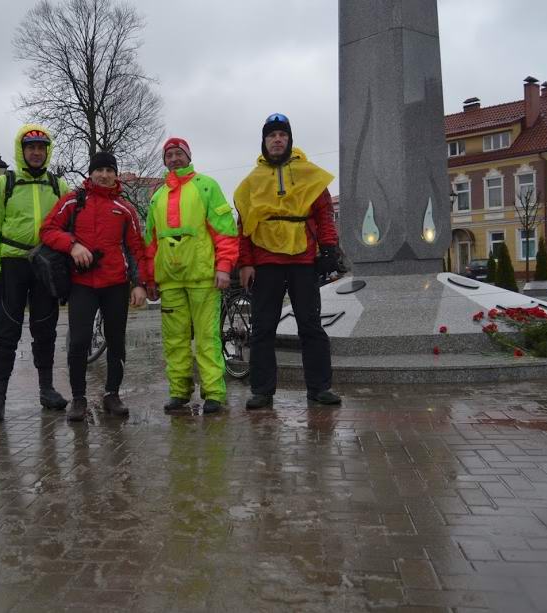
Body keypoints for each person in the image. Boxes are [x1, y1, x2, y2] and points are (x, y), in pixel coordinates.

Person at [234, 113, 342, 410]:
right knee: (263, 328)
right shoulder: (252, 181)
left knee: (310, 325)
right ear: (264, 142)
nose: (277, 139)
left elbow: (323, 213)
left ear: (289, 139)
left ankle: (319, 387)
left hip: (303, 259)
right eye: (272, 135)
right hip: (265, 260)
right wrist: (245, 263)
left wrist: (329, 249)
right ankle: (262, 391)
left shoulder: (310, 174)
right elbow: (243, 225)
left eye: (282, 134)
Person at [40, 151, 149, 423]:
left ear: (115, 174)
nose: (104, 175)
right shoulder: (72, 202)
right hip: (82, 284)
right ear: (90, 173)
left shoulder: (126, 209)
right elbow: (48, 230)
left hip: (116, 284)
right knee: (78, 341)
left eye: (109, 170)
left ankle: (112, 394)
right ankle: (78, 398)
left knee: (116, 341)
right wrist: (72, 245)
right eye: (98, 170)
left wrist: (140, 284)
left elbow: (136, 249)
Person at [0, 124, 71, 424]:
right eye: (31, 147)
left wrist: (67, 268)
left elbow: (72, 227)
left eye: (41, 148)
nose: (36, 152)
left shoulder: (59, 186)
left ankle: (46, 390)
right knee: (5, 333)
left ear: (47, 151)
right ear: (22, 150)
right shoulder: (3, 185)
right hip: (11, 265)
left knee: (45, 330)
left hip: (46, 265)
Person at [144, 137, 238, 414]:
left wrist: (223, 267)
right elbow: (149, 242)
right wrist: (150, 279)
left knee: (208, 337)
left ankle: (214, 393)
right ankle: (179, 392)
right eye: (169, 155)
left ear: (188, 156)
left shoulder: (207, 186)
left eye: (178, 154)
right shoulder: (157, 196)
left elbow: (225, 231)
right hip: (170, 280)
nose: (174, 159)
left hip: (203, 278)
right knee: (174, 341)